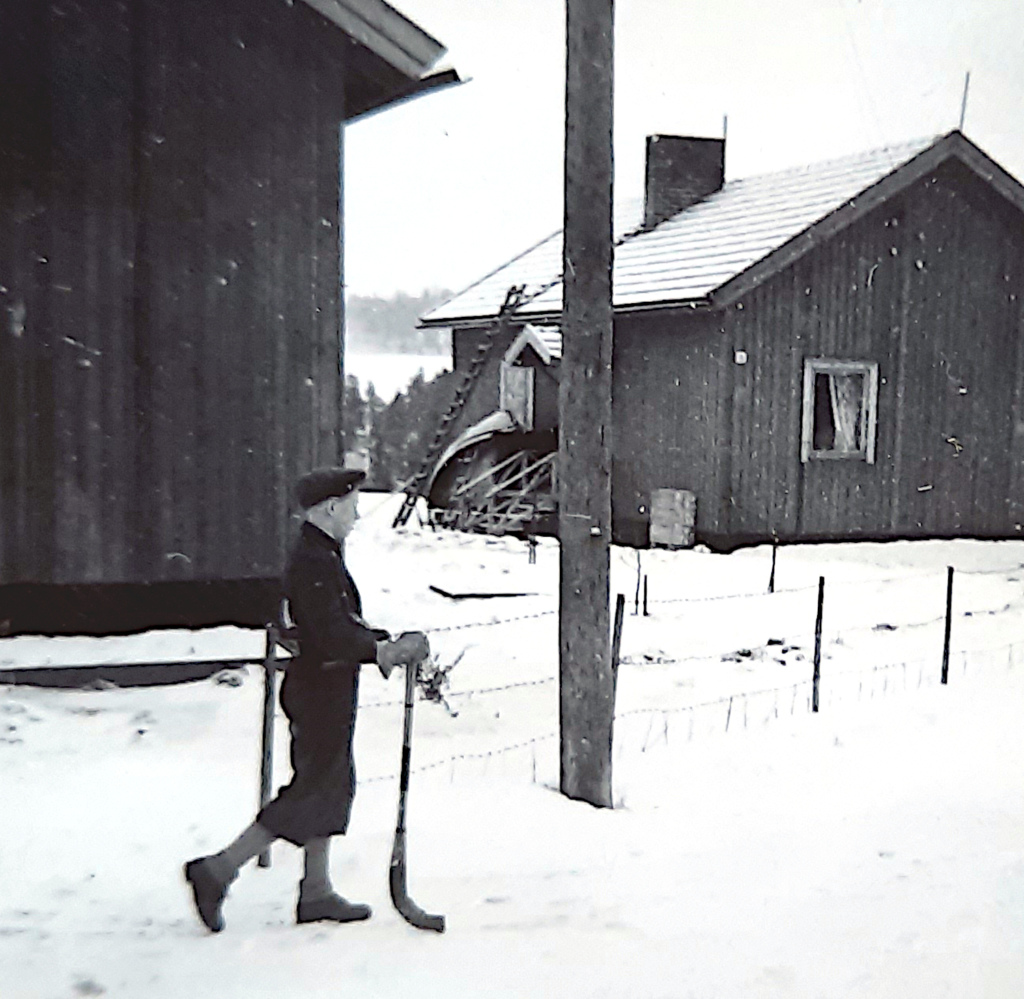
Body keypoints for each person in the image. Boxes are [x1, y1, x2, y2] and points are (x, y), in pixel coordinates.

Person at [184, 467, 430, 932]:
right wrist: (381, 650)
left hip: (328, 685)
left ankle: (316, 890)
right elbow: (329, 633)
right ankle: (217, 870)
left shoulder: (323, 555)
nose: (357, 515)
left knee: (331, 784)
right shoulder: (313, 561)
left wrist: (383, 641)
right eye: (353, 505)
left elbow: (340, 623)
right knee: (312, 789)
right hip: (319, 688)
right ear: (331, 508)